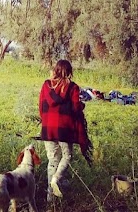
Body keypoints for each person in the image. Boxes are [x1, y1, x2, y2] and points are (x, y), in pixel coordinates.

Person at [39, 59, 93, 202]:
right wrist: (82, 106)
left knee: (52, 160)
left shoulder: (46, 85)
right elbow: (76, 108)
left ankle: (50, 197)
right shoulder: (73, 87)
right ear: (69, 71)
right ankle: (56, 180)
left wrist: (45, 121)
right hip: (64, 128)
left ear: (56, 70)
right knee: (67, 156)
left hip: (48, 128)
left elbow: (41, 106)